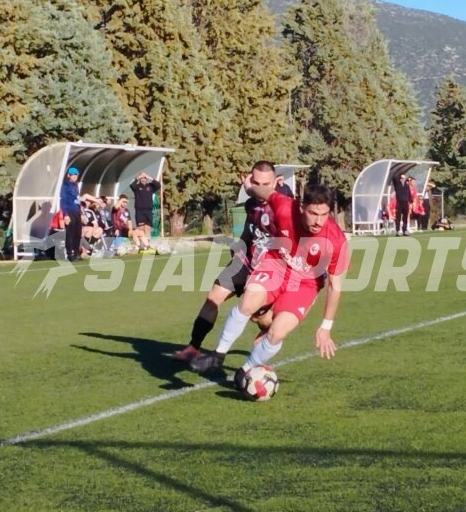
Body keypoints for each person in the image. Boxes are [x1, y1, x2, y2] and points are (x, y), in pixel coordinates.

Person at [189, 183, 349, 389]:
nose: (319, 221)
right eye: (313, 213)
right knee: (248, 302)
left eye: (324, 215)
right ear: (301, 207)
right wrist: (250, 188)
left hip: (305, 283)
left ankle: (245, 371)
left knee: (277, 332)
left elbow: (335, 286)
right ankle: (217, 355)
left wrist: (325, 327)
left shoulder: (335, 240)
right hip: (276, 264)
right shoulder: (285, 207)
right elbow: (266, 192)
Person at [173, 161, 280, 363]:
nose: (260, 189)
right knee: (213, 297)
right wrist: (240, 246)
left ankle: (268, 336)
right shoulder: (251, 204)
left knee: (261, 318)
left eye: (265, 184)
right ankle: (193, 347)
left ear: (276, 182)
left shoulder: (284, 208)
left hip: (268, 270)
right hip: (244, 263)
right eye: (256, 183)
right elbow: (250, 231)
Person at [130, 171, 161, 240]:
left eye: (144, 177)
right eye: (142, 177)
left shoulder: (150, 186)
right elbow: (131, 185)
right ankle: (141, 243)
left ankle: (147, 243)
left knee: (148, 228)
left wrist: (148, 177)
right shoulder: (137, 187)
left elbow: (158, 185)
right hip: (140, 211)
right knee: (141, 228)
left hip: (148, 211)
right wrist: (139, 177)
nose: (143, 178)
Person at [60, 167, 82, 261]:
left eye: (76, 175)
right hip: (70, 211)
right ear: (68, 175)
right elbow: (63, 200)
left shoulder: (76, 185)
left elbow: (78, 200)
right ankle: (70, 254)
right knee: (70, 234)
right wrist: (65, 215)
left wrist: (81, 212)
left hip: (77, 212)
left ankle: (76, 252)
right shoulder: (65, 185)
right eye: (73, 174)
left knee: (78, 233)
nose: (75, 176)